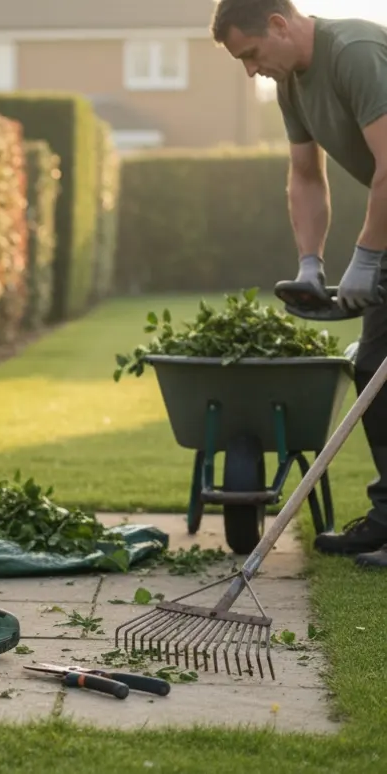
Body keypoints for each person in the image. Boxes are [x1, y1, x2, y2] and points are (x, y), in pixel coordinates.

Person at [211, 0, 387, 568]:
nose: (250, 70)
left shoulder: (355, 53)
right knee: (373, 372)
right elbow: (306, 176)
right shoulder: (292, 85)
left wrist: (365, 257)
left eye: (252, 54)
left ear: (281, 25)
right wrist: (310, 262)